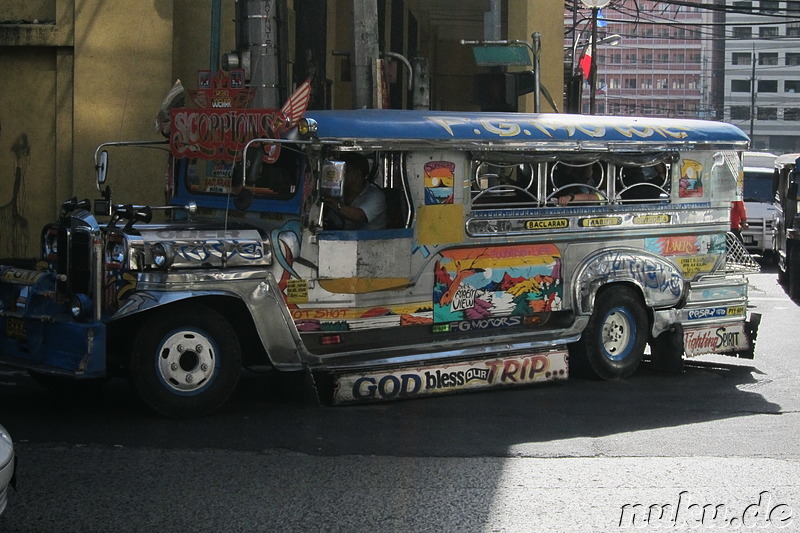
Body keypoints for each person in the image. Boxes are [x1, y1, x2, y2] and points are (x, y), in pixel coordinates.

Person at [323, 153, 387, 230]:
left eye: (344, 171)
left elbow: (359, 216)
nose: (339, 175)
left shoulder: (376, 196)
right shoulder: (337, 193)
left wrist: (336, 204)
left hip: (371, 240)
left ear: (357, 173)